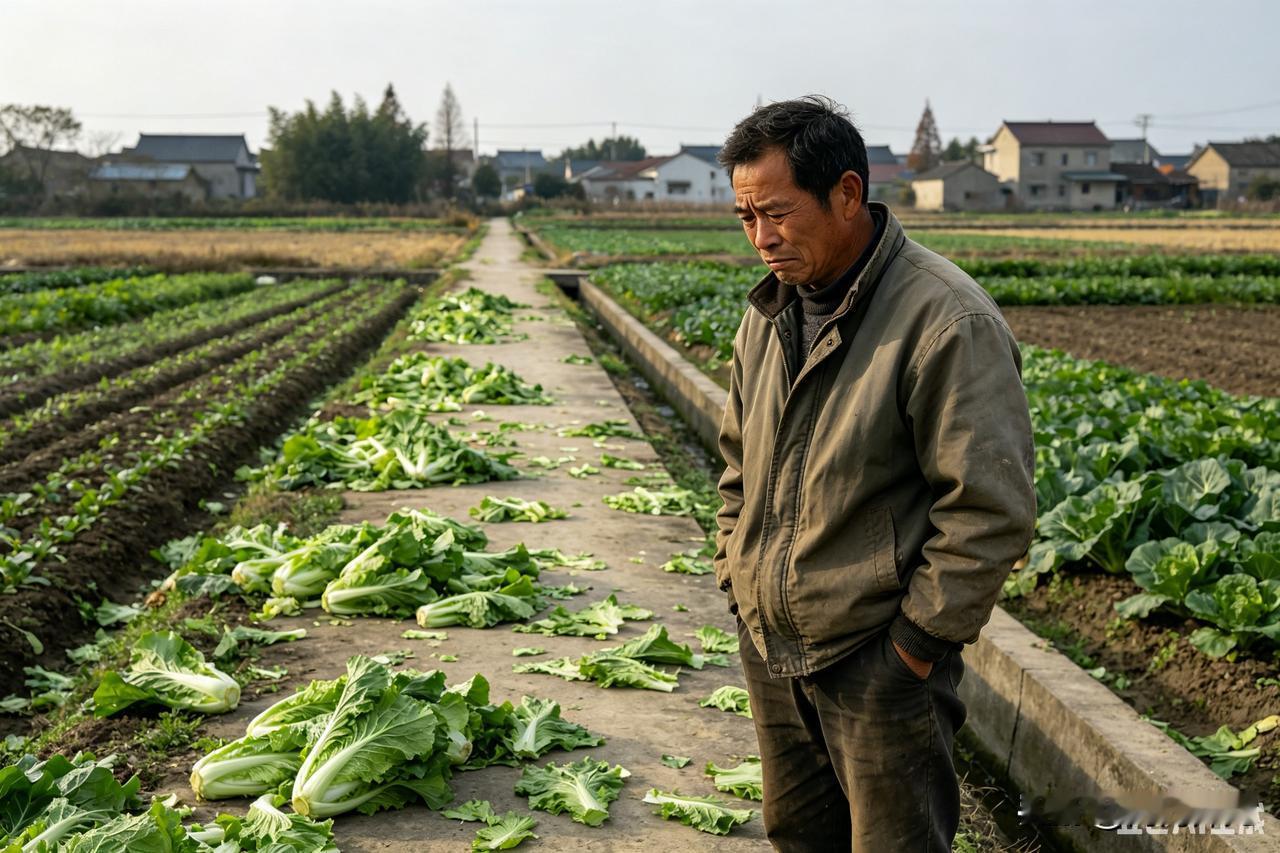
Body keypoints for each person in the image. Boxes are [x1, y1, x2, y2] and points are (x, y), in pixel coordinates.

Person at [712, 96, 1037, 852]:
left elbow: (989, 510)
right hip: (772, 649)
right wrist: (737, 572)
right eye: (745, 218)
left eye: (778, 214)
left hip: (878, 664)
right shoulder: (769, 315)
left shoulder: (946, 319)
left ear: (848, 194)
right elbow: (737, 462)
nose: (761, 238)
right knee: (797, 834)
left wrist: (914, 647)